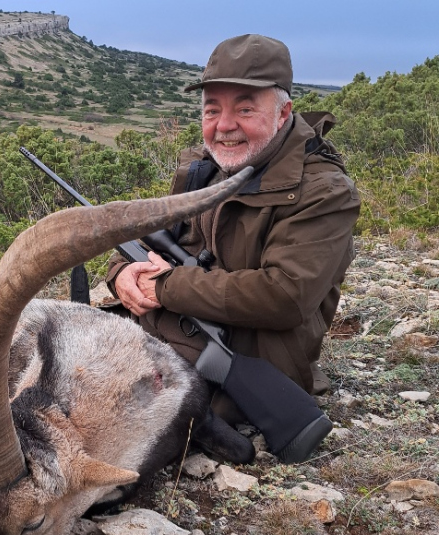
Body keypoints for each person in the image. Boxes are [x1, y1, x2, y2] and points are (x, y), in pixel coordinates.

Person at [107, 34, 360, 424]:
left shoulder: (324, 190)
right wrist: (122, 274)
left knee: (111, 414)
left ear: (283, 112)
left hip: (247, 356)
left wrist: (164, 286)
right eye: (212, 111)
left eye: (245, 109)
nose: (224, 126)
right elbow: (146, 239)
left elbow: (284, 295)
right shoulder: (201, 168)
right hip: (177, 327)